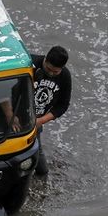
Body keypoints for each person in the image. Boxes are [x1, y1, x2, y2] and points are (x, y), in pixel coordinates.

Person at [31, 46, 72, 176]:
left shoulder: (65, 76)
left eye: (56, 72)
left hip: (36, 122)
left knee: (42, 169)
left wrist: (41, 120)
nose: (51, 74)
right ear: (45, 59)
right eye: (48, 69)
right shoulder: (29, 64)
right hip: (16, 118)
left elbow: (63, 105)